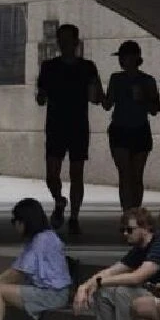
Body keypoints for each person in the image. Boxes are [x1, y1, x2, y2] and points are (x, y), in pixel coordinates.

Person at [35, 24, 102, 235]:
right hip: (55, 125)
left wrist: (95, 89)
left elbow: (96, 97)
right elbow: (41, 97)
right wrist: (41, 96)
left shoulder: (87, 67)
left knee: (77, 173)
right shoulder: (49, 67)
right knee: (51, 174)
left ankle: (74, 217)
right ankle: (59, 200)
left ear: (76, 42)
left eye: (68, 39)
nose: (64, 44)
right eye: (61, 40)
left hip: (78, 125)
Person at [102, 40, 160, 211]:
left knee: (137, 175)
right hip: (120, 130)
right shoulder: (116, 78)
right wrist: (98, 93)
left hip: (140, 129)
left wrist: (143, 99)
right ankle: (127, 212)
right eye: (120, 57)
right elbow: (107, 104)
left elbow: (155, 109)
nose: (121, 61)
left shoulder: (147, 81)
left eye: (125, 57)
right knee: (125, 174)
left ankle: (136, 210)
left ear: (135, 58)